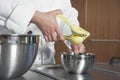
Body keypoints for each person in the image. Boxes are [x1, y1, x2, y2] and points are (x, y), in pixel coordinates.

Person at [0, 0, 85, 64]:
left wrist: (72, 36)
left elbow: (66, 13)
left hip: (47, 64)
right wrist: (34, 16)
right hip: (7, 62)